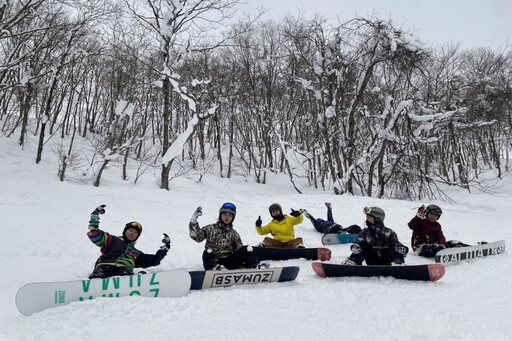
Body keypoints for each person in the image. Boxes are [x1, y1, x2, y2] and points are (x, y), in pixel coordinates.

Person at [87, 205, 170, 279]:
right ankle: (94, 283)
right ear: (125, 231)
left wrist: (164, 249)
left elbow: (153, 260)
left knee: (125, 274)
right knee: (100, 272)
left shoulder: (136, 253)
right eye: (130, 230)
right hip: (105, 264)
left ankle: (134, 282)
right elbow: (95, 234)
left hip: (124, 268)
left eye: (135, 233)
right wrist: (95, 215)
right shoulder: (111, 240)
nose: (132, 233)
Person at [189, 202, 264, 270]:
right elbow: (197, 237)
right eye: (224, 214)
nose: (227, 217)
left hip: (230, 262)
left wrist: (246, 256)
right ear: (220, 215)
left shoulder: (234, 233)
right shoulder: (210, 229)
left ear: (232, 218)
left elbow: (239, 248)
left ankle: (254, 265)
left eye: (230, 215)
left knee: (246, 248)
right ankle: (216, 268)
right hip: (214, 260)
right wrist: (193, 222)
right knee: (207, 252)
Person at [344, 206, 408, 265]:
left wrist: (402, 249)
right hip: (371, 260)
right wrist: (356, 247)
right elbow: (358, 242)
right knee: (362, 243)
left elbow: (395, 245)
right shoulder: (364, 232)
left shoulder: (389, 232)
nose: (366, 219)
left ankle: (398, 262)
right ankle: (353, 261)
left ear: (378, 218)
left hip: (387, 260)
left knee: (394, 243)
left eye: (369, 217)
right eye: (366, 217)